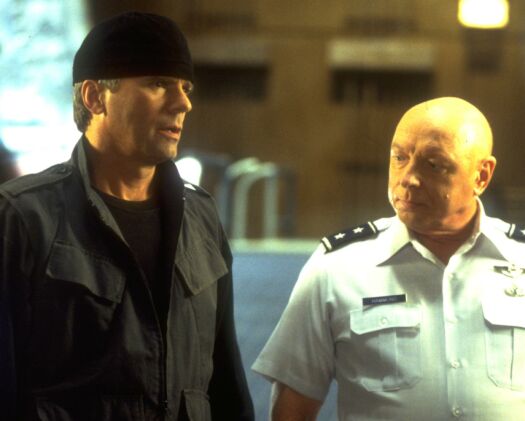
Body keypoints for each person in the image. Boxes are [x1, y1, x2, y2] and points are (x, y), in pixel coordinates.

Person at [0, 11, 254, 420]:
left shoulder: (201, 218)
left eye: (185, 87)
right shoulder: (25, 217)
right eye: (158, 83)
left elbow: (226, 385)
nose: (183, 102)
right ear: (94, 97)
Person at [253, 97, 525, 420]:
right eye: (399, 158)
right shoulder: (337, 267)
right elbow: (292, 409)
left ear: (481, 175)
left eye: (434, 164)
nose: (408, 178)